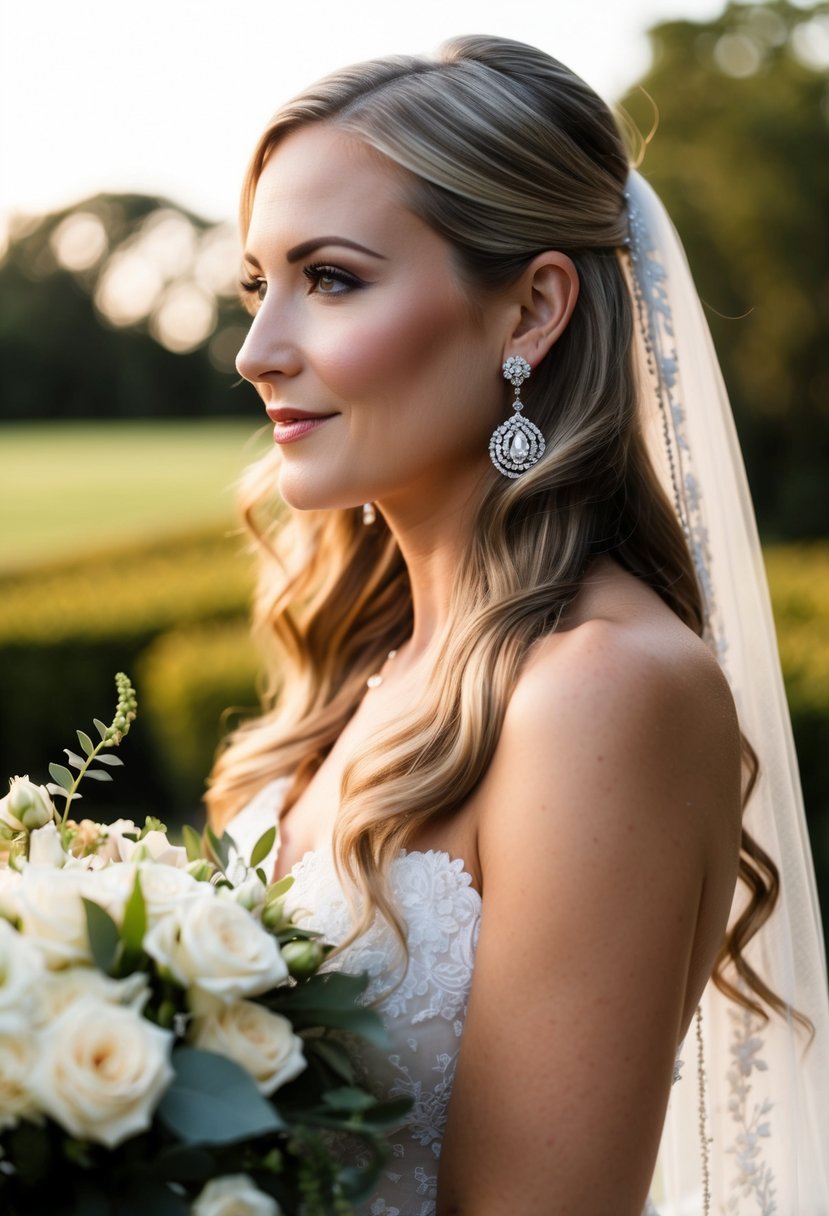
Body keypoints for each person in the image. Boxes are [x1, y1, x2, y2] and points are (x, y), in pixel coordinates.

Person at [206, 35, 829, 1215]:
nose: (256, 350)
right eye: (257, 284)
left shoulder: (604, 691)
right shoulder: (361, 664)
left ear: (532, 309)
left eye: (330, 278)